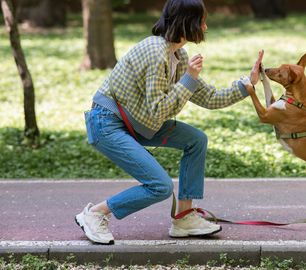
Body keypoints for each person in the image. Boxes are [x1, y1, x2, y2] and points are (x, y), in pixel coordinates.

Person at [75, 0, 263, 244]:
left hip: (138, 121)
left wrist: (247, 84)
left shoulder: (178, 55)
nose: (205, 27)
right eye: (201, 20)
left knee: (196, 140)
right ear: (187, 22)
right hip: (108, 123)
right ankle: (95, 214)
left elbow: (210, 97)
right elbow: (157, 111)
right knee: (159, 186)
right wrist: (189, 79)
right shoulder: (156, 52)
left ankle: (184, 217)